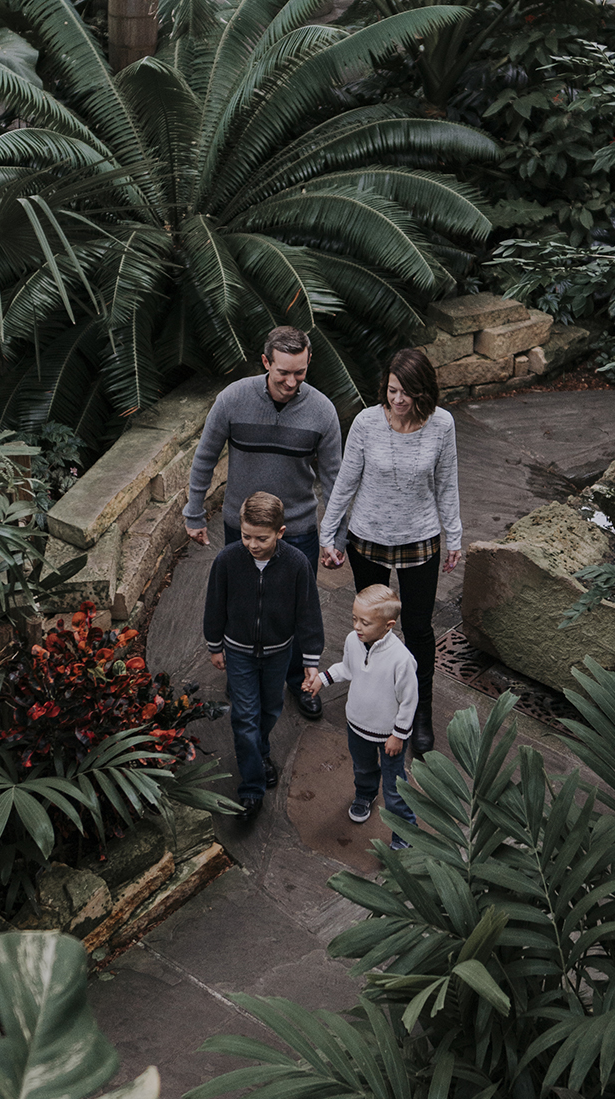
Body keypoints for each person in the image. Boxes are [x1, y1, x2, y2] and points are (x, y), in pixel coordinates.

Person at [185, 326, 342, 720]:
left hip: (300, 529)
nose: (292, 382)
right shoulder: (233, 399)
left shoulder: (322, 411)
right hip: (243, 527)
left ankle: (296, 679)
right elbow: (205, 456)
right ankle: (240, 672)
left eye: (301, 373)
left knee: (294, 607)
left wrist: (334, 534)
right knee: (241, 600)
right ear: (266, 362)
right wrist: (193, 511)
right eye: (283, 373)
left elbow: (334, 478)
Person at [318, 347, 461, 755]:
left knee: (417, 630)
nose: (397, 400)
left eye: (406, 393)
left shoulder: (442, 425)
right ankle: (372, 700)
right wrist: (330, 536)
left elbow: (447, 484)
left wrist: (455, 535)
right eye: (392, 390)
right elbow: (345, 482)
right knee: (370, 626)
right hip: (368, 542)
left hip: (421, 540)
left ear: (423, 392)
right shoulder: (366, 422)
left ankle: (420, 714)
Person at [203, 492, 323, 821]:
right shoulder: (227, 561)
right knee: (244, 718)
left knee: (269, 710)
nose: (252, 545)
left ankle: (262, 751)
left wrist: (311, 660)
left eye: (261, 538)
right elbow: (214, 604)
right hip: (239, 653)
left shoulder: (297, 564)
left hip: (278, 654)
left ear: (280, 533)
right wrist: (215, 645)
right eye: (246, 536)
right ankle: (252, 789)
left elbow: (309, 613)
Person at [304, 584, 420, 850]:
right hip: (357, 725)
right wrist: (322, 679)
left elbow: (409, 701)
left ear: (388, 625)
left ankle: (405, 835)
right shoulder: (352, 641)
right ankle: (365, 795)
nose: (357, 626)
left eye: (365, 622)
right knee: (363, 768)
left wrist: (398, 735)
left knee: (394, 789)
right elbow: (347, 668)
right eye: (354, 618)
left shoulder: (401, 660)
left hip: (389, 736)